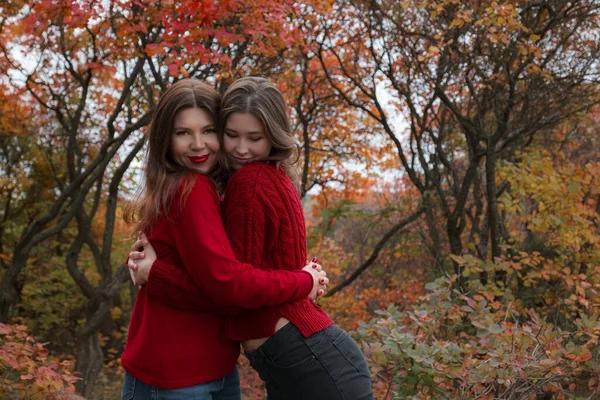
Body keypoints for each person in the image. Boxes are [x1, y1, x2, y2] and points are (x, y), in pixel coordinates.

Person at [128, 77, 374, 399]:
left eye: (209, 131)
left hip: (290, 362)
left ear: (273, 136)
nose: (241, 148)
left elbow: (230, 288)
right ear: (166, 138)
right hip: (224, 367)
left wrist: (156, 274)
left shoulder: (245, 183)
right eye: (231, 135)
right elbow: (226, 283)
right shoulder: (232, 183)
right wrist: (302, 280)